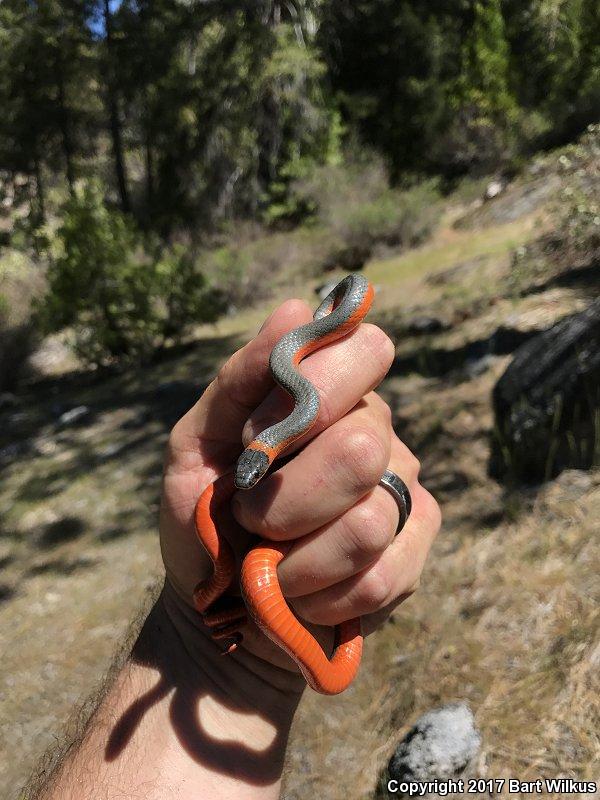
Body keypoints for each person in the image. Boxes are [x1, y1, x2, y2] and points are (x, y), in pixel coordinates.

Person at [33, 298, 441, 799]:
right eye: (246, 473)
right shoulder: (241, 468)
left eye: (250, 471)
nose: (248, 482)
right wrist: (205, 640)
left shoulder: (290, 394)